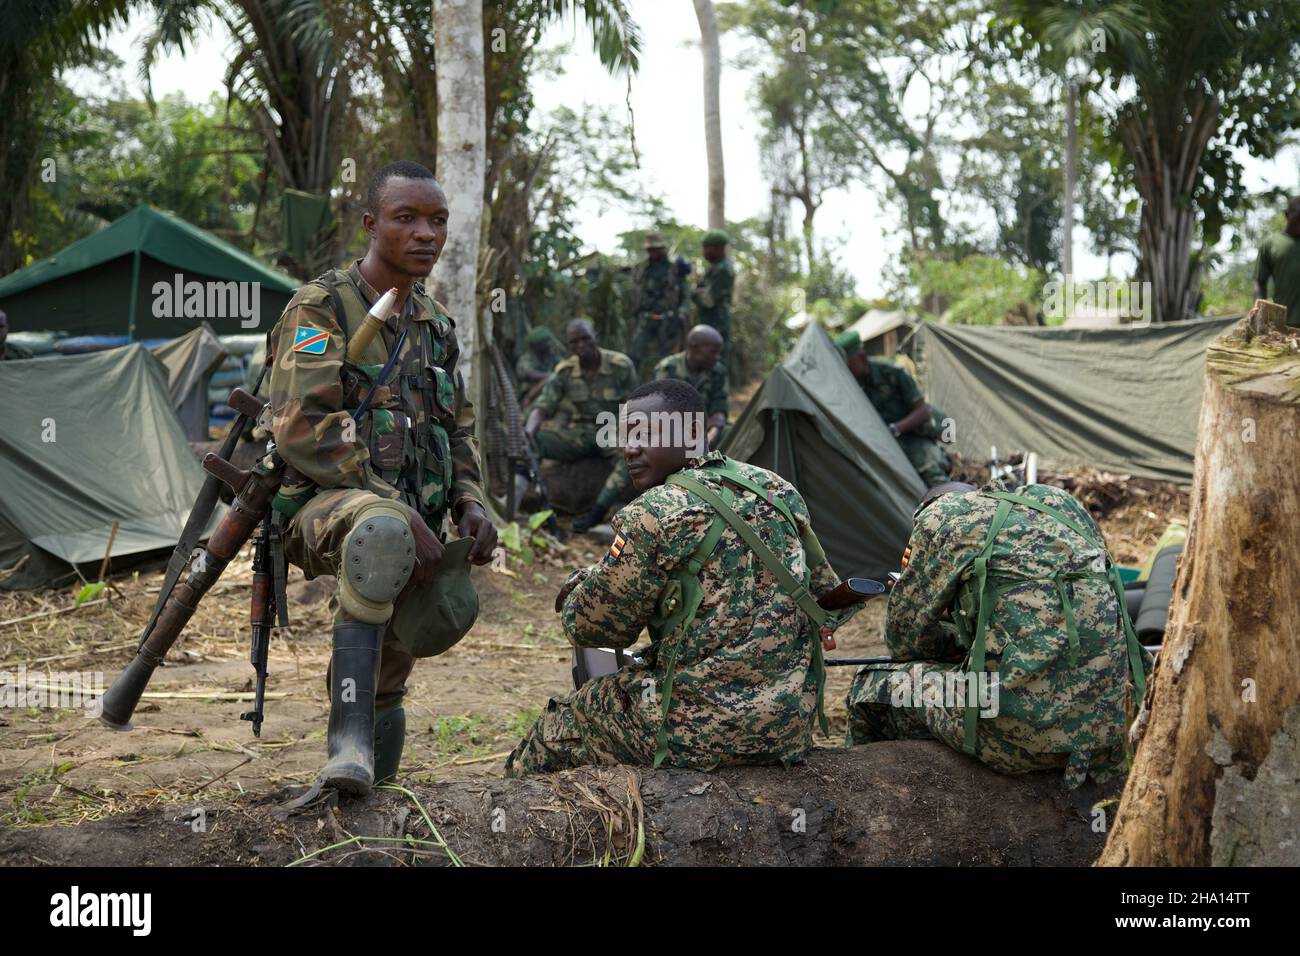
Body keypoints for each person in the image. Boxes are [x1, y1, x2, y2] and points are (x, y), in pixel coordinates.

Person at [266, 159, 497, 795]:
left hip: (408, 524)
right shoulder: (320, 309)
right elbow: (303, 423)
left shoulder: (436, 324)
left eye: (437, 221)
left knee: (402, 650)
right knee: (383, 533)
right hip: (324, 511)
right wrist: (394, 509)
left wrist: (471, 503)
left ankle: (373, 790)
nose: (426, 233)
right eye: (406, 219)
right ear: (371, 225)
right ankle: (348, 745)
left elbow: (458, 427)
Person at [506, 378, 843, 777]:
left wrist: (582, 584)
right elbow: (827, 596)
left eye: (644, 434)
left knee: (555, 726)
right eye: (625, 436)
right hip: (787, 725)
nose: (630, 448)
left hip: (695, 727)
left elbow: (593, 630)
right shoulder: (777, 489)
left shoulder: (655, 512)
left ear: (694, 434)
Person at [844, 481, 1150, 789]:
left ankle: (869, 801)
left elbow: (905, 642)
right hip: (1115, 725)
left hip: (1022, 737)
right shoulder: (1060, 504)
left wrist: (951, 639)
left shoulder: (942, 517)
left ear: (926, 510)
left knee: (870, 685)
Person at [525, 319, 638, 532]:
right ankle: (520, 503)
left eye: (585, 338)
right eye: (574, 342)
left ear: (596, 336)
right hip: (579, 433)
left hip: (611, 429)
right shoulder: (565, 370)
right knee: (531, 442)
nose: (580, 345)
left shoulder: (620, 365)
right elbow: (543, 406)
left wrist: (629, 436)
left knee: (630, 455)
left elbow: (633, 407)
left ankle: (596, 513)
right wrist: (530, 430)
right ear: (569, 345)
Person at [836, 329, 950, 487]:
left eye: (848, 362)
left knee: (931, 473)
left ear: (860, 357)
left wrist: (894, 429)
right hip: (881, 447)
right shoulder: (850, 385)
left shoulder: (893, 373)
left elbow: (922, 412)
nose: (845, 368)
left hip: (911, 436)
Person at [654, 324, 728, 448]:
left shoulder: (717, 371)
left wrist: (710, 437)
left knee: (730, 433)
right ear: (694, 348)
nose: (717, 357)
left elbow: (719, 407)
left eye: (718, 352)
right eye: (712, 352)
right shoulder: (668, 368)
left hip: (705, 430)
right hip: (672, 428)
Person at [628, 231, 688, 378]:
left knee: (667, 360)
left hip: (667, 321)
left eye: (656, 248)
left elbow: (685, 296)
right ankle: (632, 391)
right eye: (650, 249)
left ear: (662, 248)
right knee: (634, 355)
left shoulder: (674, 269)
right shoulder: (640, 269)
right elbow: (633, 294)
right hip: (646, 319)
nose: (653, 251)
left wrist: (681, 313)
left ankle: (667, 393)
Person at [1254, 195, 1300, 327]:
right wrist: (1259, 313)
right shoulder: (1270, 245)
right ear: (1287, 215)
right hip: (1282, 324)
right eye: (1298, 217)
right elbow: (1260, 282)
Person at [691, 229, 734, 351]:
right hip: (710, 323)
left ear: (718, 249)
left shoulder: (723, 270)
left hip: (716, 324)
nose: (704, 252)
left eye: (707, 248)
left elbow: (708, 300)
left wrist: (694, 293)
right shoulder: (715, 267)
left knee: (714, 360)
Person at [514, 325, 562, 410]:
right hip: (529, 398)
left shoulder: (551, 357)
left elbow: (563, 366)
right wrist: (552, 376)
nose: (549, 344)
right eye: (545, 342)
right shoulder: (526, 359)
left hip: (551, 396)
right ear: (535, 346)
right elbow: (531, 374)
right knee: (551, 379)